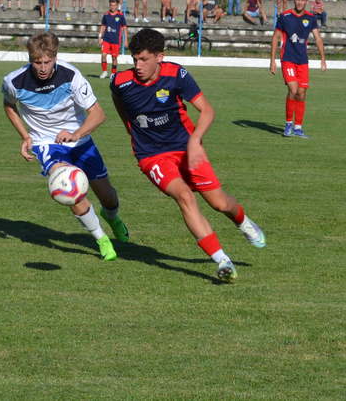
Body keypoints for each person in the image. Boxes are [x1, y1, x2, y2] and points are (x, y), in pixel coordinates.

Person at [110, 28, 267, 282]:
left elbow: (207, 110)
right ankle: (222, 260)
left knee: (220, 204)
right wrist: (136, 137)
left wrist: (195, 142)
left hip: (187, 148)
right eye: (134, 59)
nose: (137, 65)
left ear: (159, 57)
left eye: (144, 59)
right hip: (151, 155)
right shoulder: (120, 82)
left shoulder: (176, 75)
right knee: (184, 196)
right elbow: (123, 111)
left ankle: (243, 221)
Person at [2, 32, 129, 262]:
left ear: (55, 57)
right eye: (37, 62)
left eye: (47, 62)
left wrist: (75, 134)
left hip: (80, 140)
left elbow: (98, 115)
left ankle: (112, 217)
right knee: (68, 188)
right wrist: (26, 136)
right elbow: (9, 106)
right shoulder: (14, 81)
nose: (42, 68)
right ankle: (101, 238)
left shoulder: (72, 76)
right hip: (46, 144)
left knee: (108, 197)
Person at [269, 0, 327, 139]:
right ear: (294, 0)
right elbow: (275, 37)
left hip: (303, 61)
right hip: (287, 58)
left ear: (307, 1)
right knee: (293, 90)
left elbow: (318, 38)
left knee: (302, 94)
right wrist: (272, 61)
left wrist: (323, 59)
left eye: (303, 0)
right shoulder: (285, 16)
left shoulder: (311, 18)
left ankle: (298, 127)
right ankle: (288, 124)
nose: (300, 2)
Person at [98, 0, 127, 79]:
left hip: (115, 40)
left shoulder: (120, 16)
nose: (112, 7)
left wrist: (125, 40)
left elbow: (124, 28)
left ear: (117, 5)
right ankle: (104, 71)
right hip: (106, 39)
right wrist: (100, 37)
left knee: (114, 57)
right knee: (103, 55)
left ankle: (113, 73)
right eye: (111, 5)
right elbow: (103, 26)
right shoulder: (106, 15)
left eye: (114, 5)